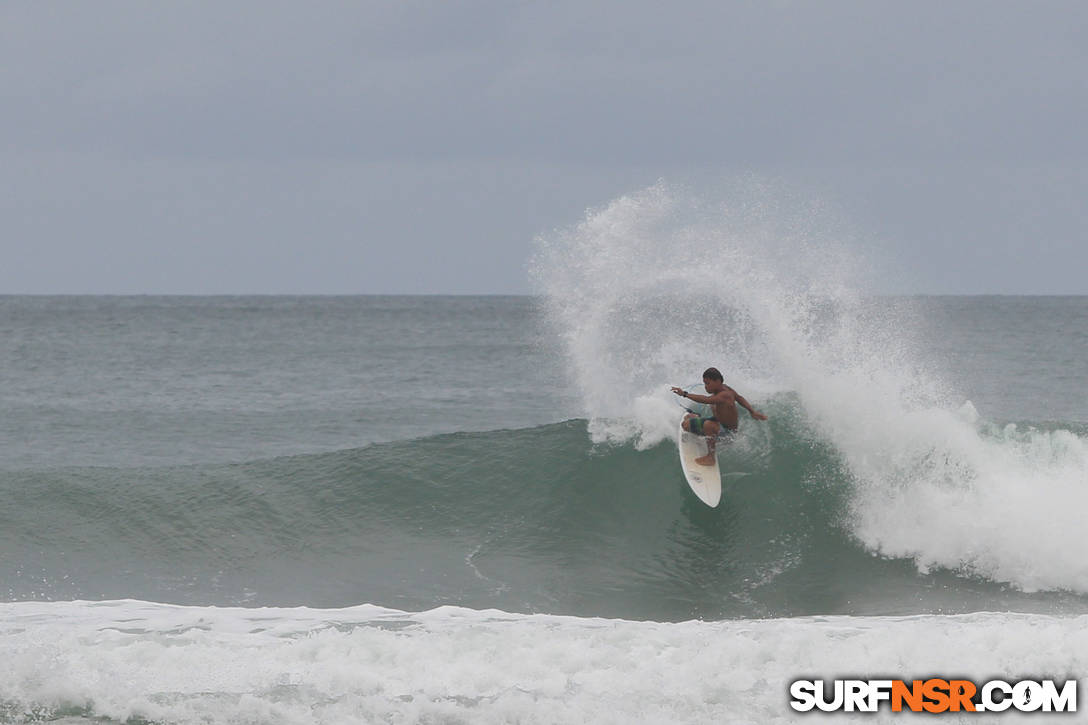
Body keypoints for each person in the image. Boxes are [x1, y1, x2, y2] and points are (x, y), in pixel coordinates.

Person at [670, 367, 768, 466]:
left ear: (717, 381)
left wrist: (684, 394)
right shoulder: (725, 388)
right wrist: (752, 411)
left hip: (727, 434)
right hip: (718, 422)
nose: (705, 387)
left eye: (707, 383)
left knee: (708, 423)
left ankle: (710, 457)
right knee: (685, 425)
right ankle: (698, 419)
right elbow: (739, 398)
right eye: (704, 383)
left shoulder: (724, 394)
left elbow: (706, 400)